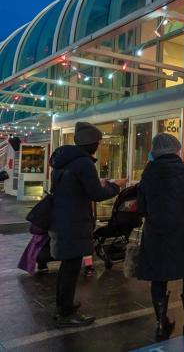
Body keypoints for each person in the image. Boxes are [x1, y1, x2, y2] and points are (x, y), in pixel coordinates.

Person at [49, 122, 126, 327]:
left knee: (67, 265)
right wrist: (115, 186)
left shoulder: (64, 161)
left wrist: (96, 184)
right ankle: (66, 313)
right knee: (72, 266)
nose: (99, 146)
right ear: (91, 142)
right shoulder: (83, 163)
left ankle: (63, 305)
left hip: (62, 218)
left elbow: (74, 188)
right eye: (98, 142)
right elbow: (96, 194)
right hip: (74, 221)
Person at [136, 133, 184, 341]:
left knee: (158, 278)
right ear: (175, 151)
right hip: (183, 233)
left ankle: (161, 323)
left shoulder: (147, 174)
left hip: (156, 234)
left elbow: (141, 207)